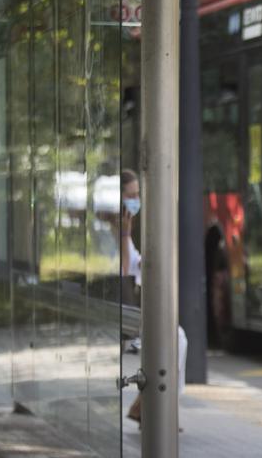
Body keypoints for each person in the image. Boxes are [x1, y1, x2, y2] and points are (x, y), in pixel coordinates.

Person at [119, 169, 188, 431]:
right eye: (131, 195)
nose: (136, 200)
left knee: (178, 339)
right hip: (125, 311)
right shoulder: (114, 229)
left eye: (138, 194)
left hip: (134, 308)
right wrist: (125, 235)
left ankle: (157, 405)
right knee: (175, 339)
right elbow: (124, 274)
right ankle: (158, 406)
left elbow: (136, 265)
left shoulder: (127, 228)